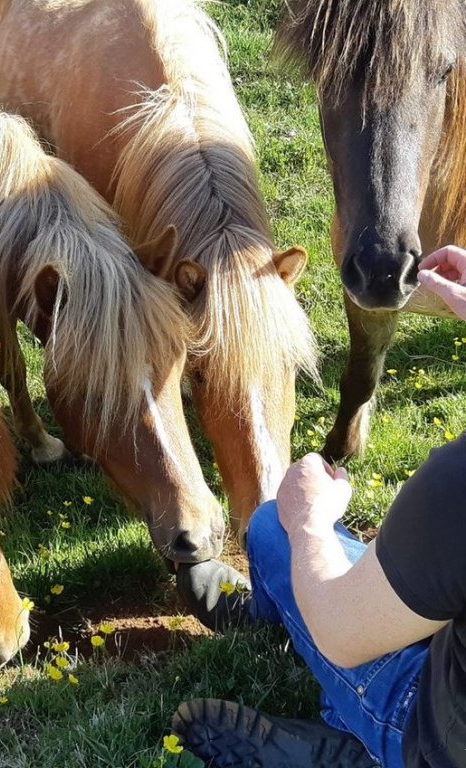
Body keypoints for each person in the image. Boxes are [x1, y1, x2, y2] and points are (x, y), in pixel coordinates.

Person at [172, 246, 466, 768]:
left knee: (272, 526)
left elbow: (341, 634)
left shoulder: (456, 485)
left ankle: (360, 738)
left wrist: (309, 520)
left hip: (432, 732)